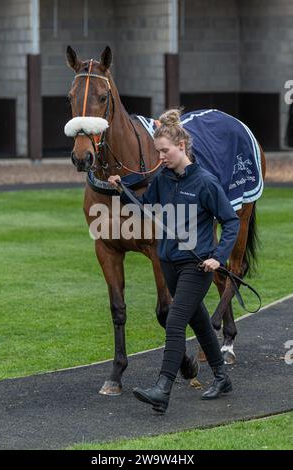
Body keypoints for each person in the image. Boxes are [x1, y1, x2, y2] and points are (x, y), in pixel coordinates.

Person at [108, 109, 240, 413]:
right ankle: (222, 378)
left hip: (197, 266)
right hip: (170, 263)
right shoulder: (163, 180)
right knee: (199, 322)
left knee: (175, 320)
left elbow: (231, 221)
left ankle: (162, 388)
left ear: (181, 146)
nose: (161, 157)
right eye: (158, 152)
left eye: (165, 151)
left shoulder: (205, 182)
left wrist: (219, 259)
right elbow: (145, 210)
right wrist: (122, 189)